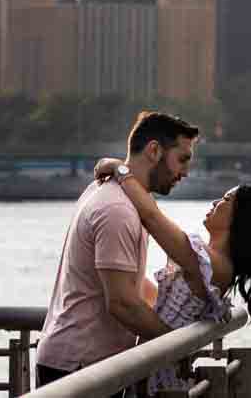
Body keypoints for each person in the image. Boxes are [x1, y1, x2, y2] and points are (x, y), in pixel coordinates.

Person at [34, 111, 200, 390]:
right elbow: (122, 303)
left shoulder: (117, 195)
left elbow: (128, 283)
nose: (185, 172)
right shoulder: (118, 210)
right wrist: (177, 343)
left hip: (84, 363)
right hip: (79, 367)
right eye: (182, 159)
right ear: (154, 150)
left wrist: (174, 308)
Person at [90, 161, 251, 394]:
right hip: (163, 369)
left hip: (162, 379)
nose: (215, 203)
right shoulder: (214, 264)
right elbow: (163, 302)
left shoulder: (210, 263)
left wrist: (120, 170)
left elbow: (152, 217)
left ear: (240, 219)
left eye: (225, 201)